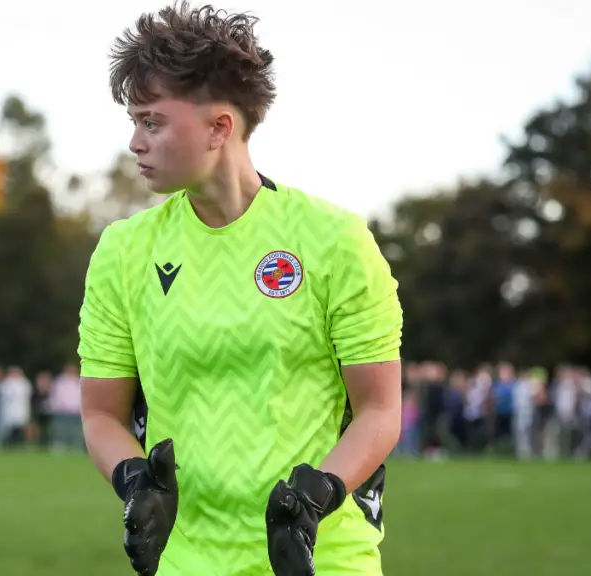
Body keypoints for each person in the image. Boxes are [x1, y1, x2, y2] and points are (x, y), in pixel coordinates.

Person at [77, 4, 404, 575]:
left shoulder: (335, 241)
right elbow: (101, 415)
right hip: (185, 562)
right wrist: (133, 480)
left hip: (320, 560)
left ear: (219, 127)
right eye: (134, 121)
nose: (134, 141)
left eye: (152, 122)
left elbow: (379, 409)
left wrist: (316, 499)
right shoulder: (123, 252)